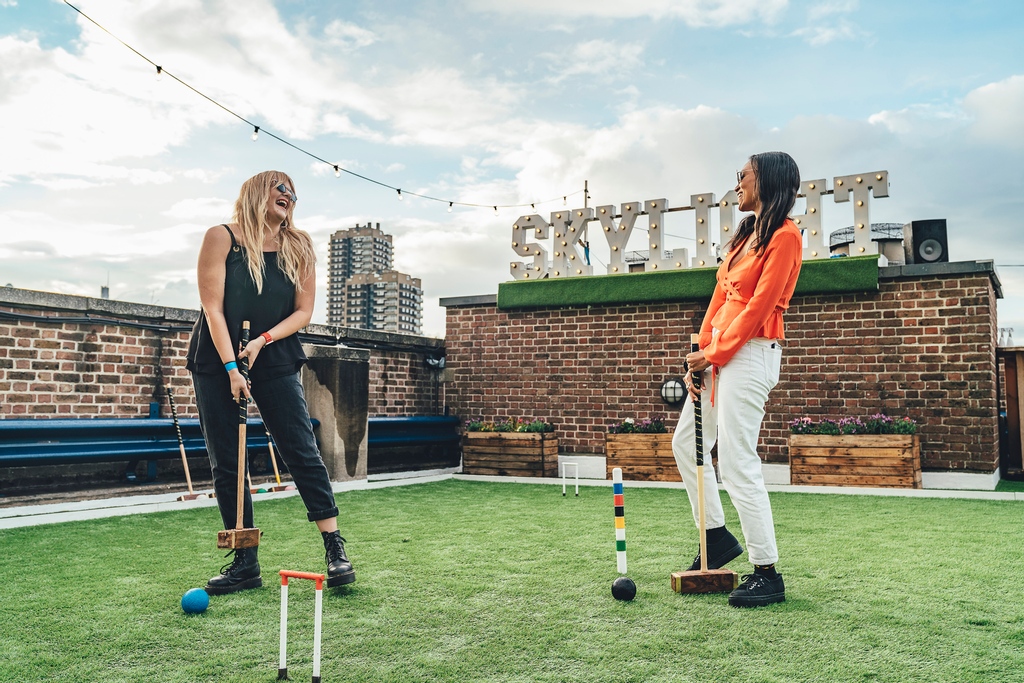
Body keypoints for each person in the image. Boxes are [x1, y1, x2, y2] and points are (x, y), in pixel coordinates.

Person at [186, 170, 354, 595]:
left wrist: (262, 341)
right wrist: (230, 368)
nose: (290, 196)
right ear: (259, 192)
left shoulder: (299, 245)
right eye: (281, 188)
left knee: (300, 448)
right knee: (228, 459)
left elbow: (303, 312)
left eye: (293, 192)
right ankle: (245, 561)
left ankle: (335, 547)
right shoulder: (222, 236)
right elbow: (213, 307)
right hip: (217, 355)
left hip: (273, 353)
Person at [671, 151, 803, 607]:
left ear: (767, 179)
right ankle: (716, 537)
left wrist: (717, 354)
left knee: (737, 460)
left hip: (750, 355)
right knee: (686, 443)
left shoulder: (785, 237)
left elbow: (759, 308)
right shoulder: (745, 235)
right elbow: (719, 300)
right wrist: (701, 354)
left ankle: (767, 572)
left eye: (744, 174)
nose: (738, 180)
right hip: (719, 355)